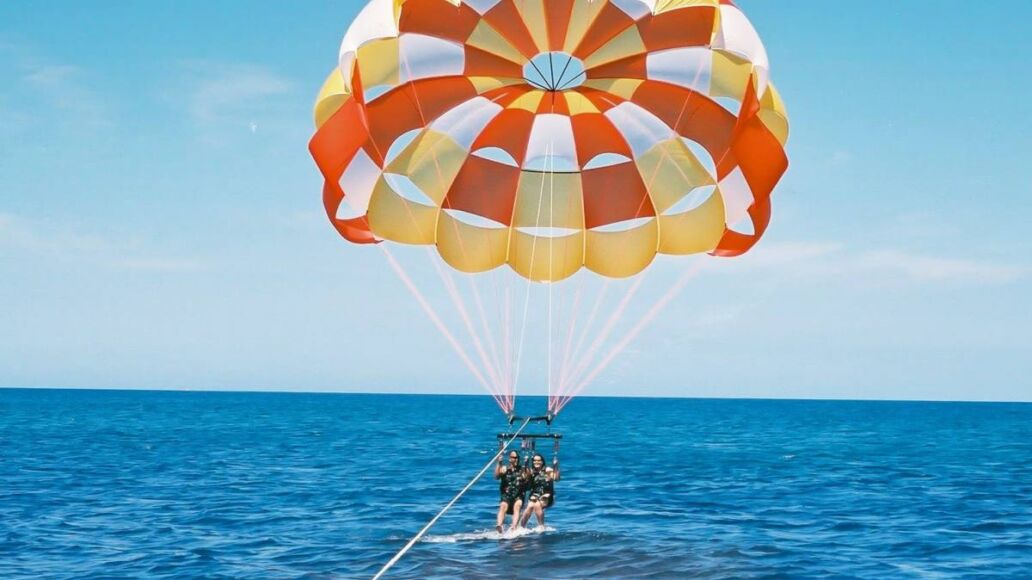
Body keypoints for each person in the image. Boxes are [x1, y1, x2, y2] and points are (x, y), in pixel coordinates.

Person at [519, 453, 559, 529]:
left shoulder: (547, 470)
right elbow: (524, 477)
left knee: (537, 504)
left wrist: (556, 466)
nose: (536, 462)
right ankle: (521, 527)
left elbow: (556, 478)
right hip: (535, 495)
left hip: (547, 495)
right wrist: (525, 464)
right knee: (530, 506)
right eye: (535, 460)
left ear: (542, 462)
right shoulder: (531, 471)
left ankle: (541, 526)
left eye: (538, 460)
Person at [494, 449, 525, 533]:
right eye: (513, 457)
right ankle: (499, 526)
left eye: (517, 457)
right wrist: (499, 463)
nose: (515, 459)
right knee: (503, 505)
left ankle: (513, 527)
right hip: (506, 495)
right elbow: (496, 476)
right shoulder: (505, 468)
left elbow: (527, 477)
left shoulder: (522, 469)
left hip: (518, 495)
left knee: (517, 505)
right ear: (509, 458)